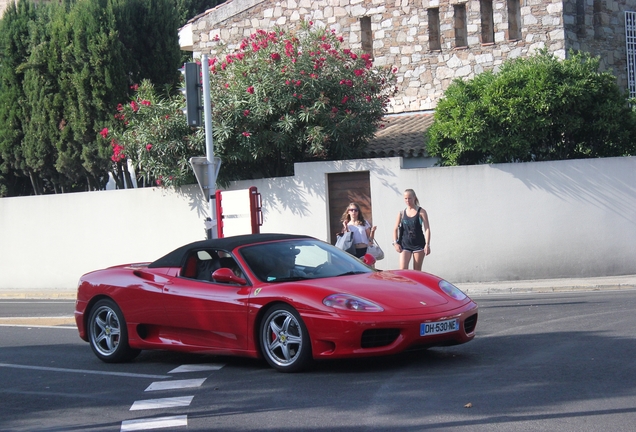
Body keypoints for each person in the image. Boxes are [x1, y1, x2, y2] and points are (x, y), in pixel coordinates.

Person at [392, 189, 431, 270]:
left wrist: (427, 244)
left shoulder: (421, 212)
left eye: (409, 198)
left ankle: (417, 283)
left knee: (417, 270)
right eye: (405, 198)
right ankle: (405, 283)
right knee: (403, 269)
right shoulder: (401, 213)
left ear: (414, 198)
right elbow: (395, 229)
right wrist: (395, 243)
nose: (407, 200)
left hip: (418, 245)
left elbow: (427, 228)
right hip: (405, 245)